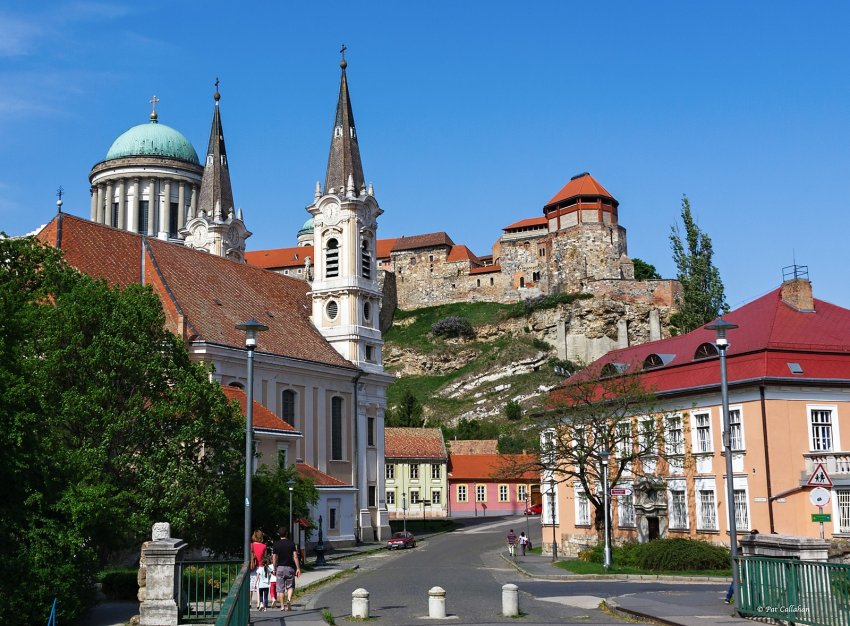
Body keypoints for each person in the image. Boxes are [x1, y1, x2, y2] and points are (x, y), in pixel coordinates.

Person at [272, 526, 301, 611]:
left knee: (280, 589)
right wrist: (298, 568)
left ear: (279, 534)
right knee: (290, 586)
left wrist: (274, 568)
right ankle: (288, 600)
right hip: (290, 568)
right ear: (287, 534)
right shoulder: (291, 543)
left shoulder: (276, 544)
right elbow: (295, 556)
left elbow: (274, 558)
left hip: (280, 568)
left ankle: (282, 606)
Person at [249, 530, 266, 609]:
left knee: (251, 585)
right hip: (261, 567)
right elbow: (264, 557)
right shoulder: (264, 546)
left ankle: (249, 602)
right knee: (259, 585)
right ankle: (259, 603)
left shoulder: (251, 545)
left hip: (253, 567)